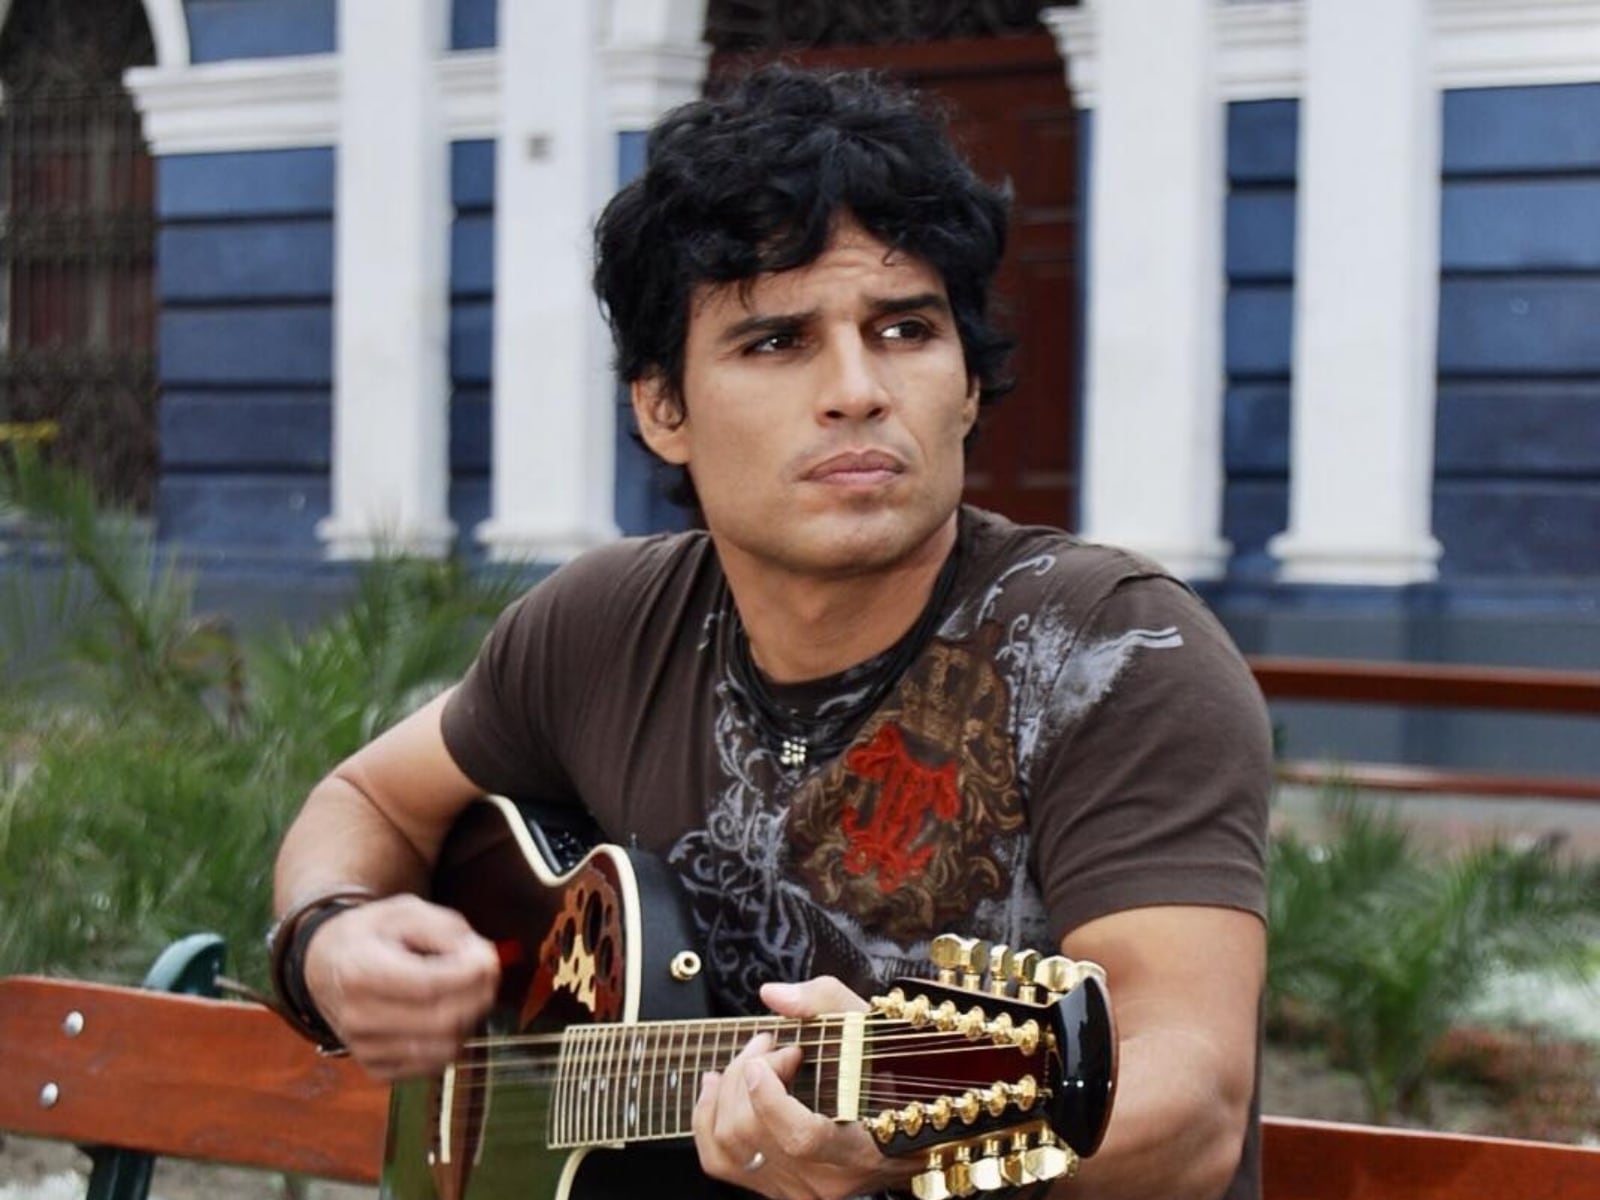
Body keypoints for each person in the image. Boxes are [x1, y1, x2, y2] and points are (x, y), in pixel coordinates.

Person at [271, 65, 1270, 1200]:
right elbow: (368, 800)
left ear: (965, 386)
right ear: (663, 409)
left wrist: (902, 1140)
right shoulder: (599, 630)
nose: (856, 390)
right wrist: (328, 938)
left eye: (905, 329)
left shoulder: (1111, 653)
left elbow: (1190, 1105)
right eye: (777, 342)